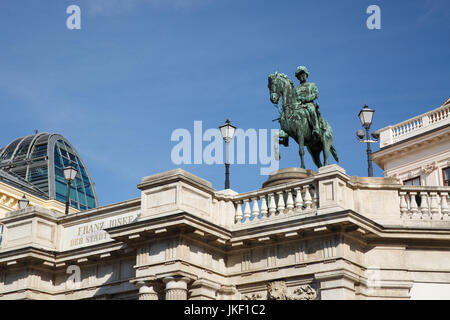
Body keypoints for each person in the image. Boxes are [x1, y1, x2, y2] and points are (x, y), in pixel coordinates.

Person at [294, 66, 321, 138]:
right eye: (300, 75)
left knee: (312, 110)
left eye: (303, 74)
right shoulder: (296, 89)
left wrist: (306, 98)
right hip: (298, 106)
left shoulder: (312, 85)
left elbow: (315, 94)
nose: (302, 76)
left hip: (308, 104)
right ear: (298, 77)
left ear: (306, 74)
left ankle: (316, 128)